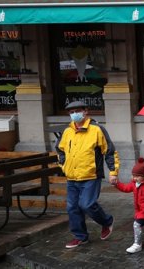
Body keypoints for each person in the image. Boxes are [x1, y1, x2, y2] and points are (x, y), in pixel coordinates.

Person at [56, 100, 119, 249]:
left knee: (87, 204)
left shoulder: (97, 129)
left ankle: (107, 221)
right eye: (71, 112)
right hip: (72, 177)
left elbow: (109, 151)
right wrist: (64, 166)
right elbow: (60, 149)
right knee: (72, 208)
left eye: (77, 111)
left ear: (86, 111)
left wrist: (113, 172)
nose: (74, 114)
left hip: (91, 176)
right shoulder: (67, 131)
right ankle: (80, 237)